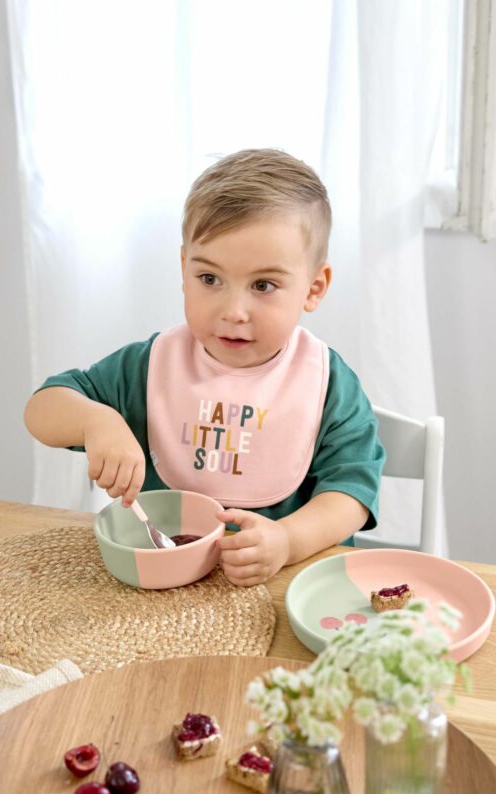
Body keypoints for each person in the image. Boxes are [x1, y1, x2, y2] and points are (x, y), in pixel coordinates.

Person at [24, 148, 385, 586]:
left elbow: (352, 493)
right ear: (183, 268)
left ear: (313, 288)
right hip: (163, 597)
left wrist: (288, 540)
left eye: (264, 285)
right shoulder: (152, 365)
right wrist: (95, 420)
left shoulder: (327, 382)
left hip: (283, 587)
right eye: (209, 279)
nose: (233, 310)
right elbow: (42, 409)